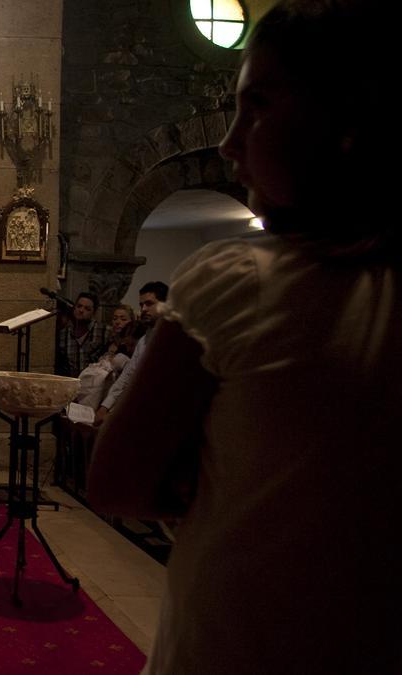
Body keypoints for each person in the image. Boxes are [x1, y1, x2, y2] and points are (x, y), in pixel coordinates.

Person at [89, 2, 399, 672]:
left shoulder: (235, 282)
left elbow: (114, 481)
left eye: (256, 105)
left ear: (346, 117)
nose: (229, 143)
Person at [93, 281, 167, 425]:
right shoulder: (144, 341)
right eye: (141, 305)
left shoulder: (177, 338)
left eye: (149, 303)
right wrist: (104, 408)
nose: (144, 309)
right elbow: (127, 376)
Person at [55, 291, 107, 377]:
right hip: (72, 381)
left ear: (94, 313)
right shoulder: (64, 333)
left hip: (94, 383)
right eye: (79, 306)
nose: (81, 310)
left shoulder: (103, 331)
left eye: (87, 309)